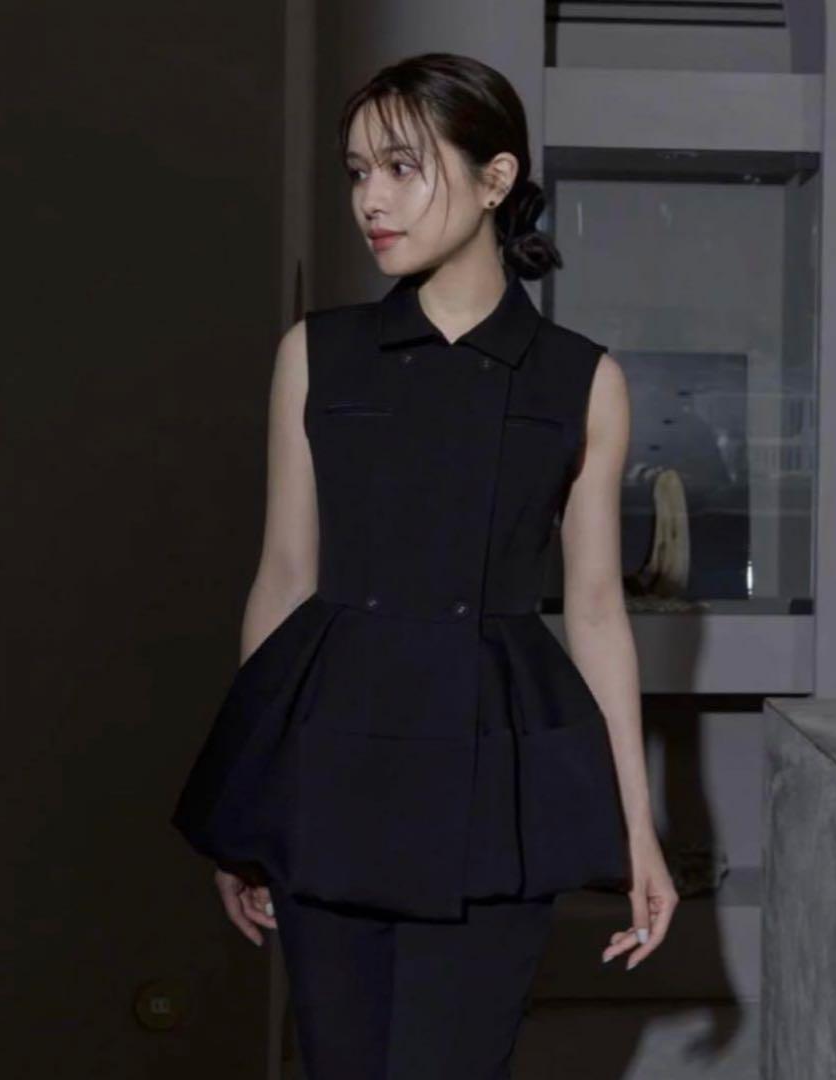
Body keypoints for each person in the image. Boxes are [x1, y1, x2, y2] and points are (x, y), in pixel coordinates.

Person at [172, 51, 678, 1078]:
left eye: (402, 167)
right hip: (329, 775)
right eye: (359, 172)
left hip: (495, 781)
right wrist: (248, 805)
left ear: (496, 179)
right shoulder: (315, 354)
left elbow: (594, 612)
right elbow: (283, 576)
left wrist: (639, 827)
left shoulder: (581, 379)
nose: (372, 199)